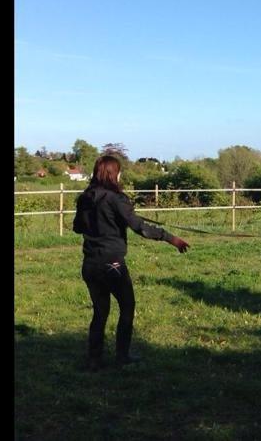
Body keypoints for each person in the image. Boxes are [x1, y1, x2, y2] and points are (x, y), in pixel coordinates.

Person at [72, 155, 189, 370]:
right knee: (127, 306)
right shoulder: (116, 199)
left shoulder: (85, 197)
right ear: (112, 173)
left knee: (100, 312)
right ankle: (122, 356)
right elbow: (139, 227)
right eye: (118, 170)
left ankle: (94, 359)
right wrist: (172, 239)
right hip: (112, 263)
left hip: (90, 263)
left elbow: (77, 228)